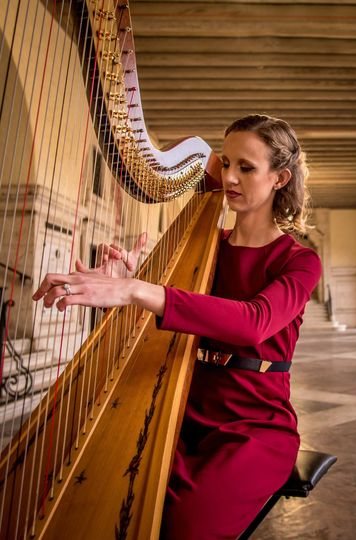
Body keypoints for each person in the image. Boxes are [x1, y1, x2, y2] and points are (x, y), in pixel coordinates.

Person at [32, 114, 322, 539]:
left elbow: (252, 323)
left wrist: (137, 289)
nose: (229, 177)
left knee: (186, 525)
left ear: (279, 178)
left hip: (253, 427)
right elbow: (182, 309)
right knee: (105, 492)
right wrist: (130, 275)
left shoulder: (299, 261)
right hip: (185, 410)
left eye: (246, 167)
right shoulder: (207, 247)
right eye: (226, 164)